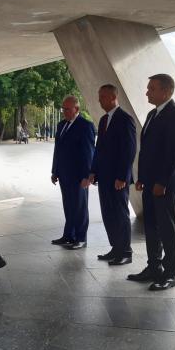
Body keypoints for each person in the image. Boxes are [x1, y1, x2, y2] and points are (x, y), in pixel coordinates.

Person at [128, 74, 175, 290]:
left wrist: (162, 182)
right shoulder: (153, 114)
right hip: (150, 183)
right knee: (151, 227)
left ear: (166, 91)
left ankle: (170, 274)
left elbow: (173, 154)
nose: (147, 92)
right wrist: (142, 177)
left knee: (167, 229)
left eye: (151, 88)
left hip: (163, 185)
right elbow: (147, 151)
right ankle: (154, 267)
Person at [83, 84, 136, 265]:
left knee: (120, 214)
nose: (99, 100)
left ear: (113, 97)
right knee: (108, 214)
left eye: (102, 96)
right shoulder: (104, 120)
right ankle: (116, 248)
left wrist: (123, 176)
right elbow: (99, 149)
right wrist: (93, 171)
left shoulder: (125, 119)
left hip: (118, 179)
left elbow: (129, 150)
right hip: (104, 177)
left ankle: (126, 252)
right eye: (99, 96)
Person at [51, 96, 95, 249]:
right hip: (64, 174)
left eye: (67, 109)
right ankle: (68, 236)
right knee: (68, 206)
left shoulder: (85, 126)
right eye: (63, 109)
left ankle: (81, 238)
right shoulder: (61, 125)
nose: (64, 112)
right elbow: (58, 150)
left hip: (79, 176)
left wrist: (87, 176)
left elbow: (89, 153)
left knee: (80, 208)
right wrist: (54, 171)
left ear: (77, 109)